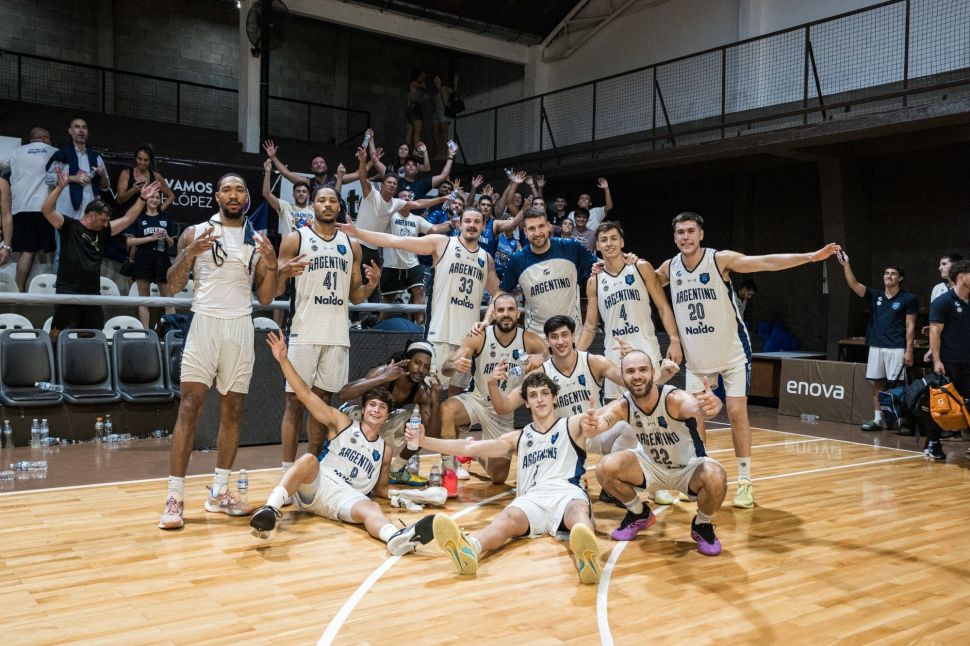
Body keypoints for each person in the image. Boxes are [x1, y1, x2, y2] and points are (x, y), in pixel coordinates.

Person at [656, 212, 840, 508]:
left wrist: (810, 257)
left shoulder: (719, 260)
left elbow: (765, 262)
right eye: (680, 232)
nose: (685, 237)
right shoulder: (669, 267)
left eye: (690, 231)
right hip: (698, 356)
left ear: (701, 234)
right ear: (674, 237)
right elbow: (641, 281)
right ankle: (699, 475)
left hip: (732, 353)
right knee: (694, 416)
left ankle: (745, 481)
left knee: (736, 412)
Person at [158, 173, 285, 530]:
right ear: (216, 196)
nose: (233, 195)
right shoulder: (195, 232)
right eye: (227, 189)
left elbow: (265, 298)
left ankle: (219, 492)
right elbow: (172, 285)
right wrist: (189, 253)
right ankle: (174, 498)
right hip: (204, 323)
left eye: (239, 190)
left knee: (233, 410)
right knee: (189, 407)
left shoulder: (257, 240)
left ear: (246, 198)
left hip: (240, 326)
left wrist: (272, 263)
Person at [249, 331, 435, 555]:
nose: (376, 410)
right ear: (363, 409)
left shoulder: (385, 450)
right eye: (372, 405)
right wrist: (283, 360)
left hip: (347, 498)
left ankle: (394, 537)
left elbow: (382, 489)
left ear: (387, 416)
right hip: (318, 485)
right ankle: (270, 509)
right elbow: (306, 394)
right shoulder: (342, 423)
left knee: (372, 507)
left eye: (382, 408)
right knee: (308, 460)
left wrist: (418, 495)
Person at [409, 371, 604, 584]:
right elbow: (468, 447)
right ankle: (471, 549)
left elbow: (593, 423)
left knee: (577, 511)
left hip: (567, 493)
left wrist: (593, 424)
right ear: (526, 403)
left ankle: (587, 556)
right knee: (507, 516)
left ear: (554, 398)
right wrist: (424, 441)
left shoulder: (572, 424)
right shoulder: (518, 438)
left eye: (545, 393)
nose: (540, 399)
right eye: (533, 395)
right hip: (532, 499)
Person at [275, 184, 381, 482]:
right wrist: (282, 272)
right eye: (321, 200)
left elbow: (355, 296)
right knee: (294, 402)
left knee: (322, 404)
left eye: (332, 200)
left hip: (336, 334)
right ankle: (286, 470)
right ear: (313, 206)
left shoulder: (351, 245)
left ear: (339, 206)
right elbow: (277, 288)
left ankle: (310, 468)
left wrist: (372, 285)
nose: (327, 204)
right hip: (304, 331)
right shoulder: (296, 239)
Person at [337, 209, 501, 396]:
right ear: (460, 224)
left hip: (468, 340)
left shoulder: (486, 259)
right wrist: (358, 233)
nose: (472, 225)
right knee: (429, 392)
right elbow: (397, 241)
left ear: (483, 225)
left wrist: (486, 321)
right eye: (468, 221)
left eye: (477, 222)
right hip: (439, 334)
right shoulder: (442, 243)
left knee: (457, 396)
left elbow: (499, 295)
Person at [586, 351, 727, 555]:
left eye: (642, 370)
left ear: (653, 372)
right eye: (630, 371)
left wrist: (712, 405)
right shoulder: (624, 404)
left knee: (716, 476)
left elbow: (697, 406)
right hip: (650, 466)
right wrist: (594, 426)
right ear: (623, 376)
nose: (637, 376)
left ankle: (702, 525)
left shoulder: (674, 398)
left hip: (688, 468)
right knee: (604, 467)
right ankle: (639, 514)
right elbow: (603, 421)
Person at [439, 293, 548, 488]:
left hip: (503, 412)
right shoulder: (479, 336)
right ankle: (449, 470)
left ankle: (473, 449)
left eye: (510, 309)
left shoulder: (529, 340)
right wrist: (454, 365)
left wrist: (543, 357)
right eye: (501, 310)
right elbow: (446, 367)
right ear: (494, 314)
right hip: (477, 401)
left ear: (518, 313)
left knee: (498, 478)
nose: (506, 314)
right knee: (447, 409)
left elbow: (555, 354)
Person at [40, 172, 159, 337]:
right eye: (103, 220)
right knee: (57, 335)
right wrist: (60, 187)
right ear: (91, 215)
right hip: (68, 290)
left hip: (92, 292)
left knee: (91, 336)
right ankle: (54, 353)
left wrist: (142, 199)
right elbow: (46, 210)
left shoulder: (104, 230)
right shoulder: (69, 226)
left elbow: (127, 219)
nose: (105, 224)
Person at [579, 221, 683, 400]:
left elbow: (663, 307)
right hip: (614, 358)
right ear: (597, 246)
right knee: (619, 412)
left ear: (622, 242)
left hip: (646, 350)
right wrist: (575, 356)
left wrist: (674, 339)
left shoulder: (640, 267)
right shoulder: (594, 281)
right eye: (604, 240)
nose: (609, 243)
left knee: (652, 406)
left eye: (614, 238)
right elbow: (590, 325)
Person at [337, 341, 441, 486]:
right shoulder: (383, 372)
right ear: (407, 361)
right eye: (417, 363)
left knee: (419, 426)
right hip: (355, 418)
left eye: (427, 367)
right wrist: (383, 378)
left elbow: (431, 436)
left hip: (379, 422)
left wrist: (435, 402)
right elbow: (343, 394)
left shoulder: (422, 392)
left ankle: (396, 469)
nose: (421, 370)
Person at [837, 252, 917, 432]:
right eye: (886, 273)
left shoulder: (908, 299)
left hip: (897, 347)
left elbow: (910, 325)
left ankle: (903, 421)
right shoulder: (875, 295)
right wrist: (846, 264)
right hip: (876, 346)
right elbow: (853, 284)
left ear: (900, 278)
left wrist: (909, 350)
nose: (889, 276)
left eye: (893, 274)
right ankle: (878, 419)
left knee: (898, 384)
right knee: (878, 384)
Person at [496, 210, 596, 336]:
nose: (537, 233)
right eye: (532, 228)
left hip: (571, 335)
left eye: (541, 226)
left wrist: (620, 260)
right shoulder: (517, 259)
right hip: (536, 339)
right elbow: (502, 292)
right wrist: (486, 321)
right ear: (525, 232)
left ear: (548, 226)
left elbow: (598, 265)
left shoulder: (570, 247)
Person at [45, 118, 110, 272]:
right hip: (66, 212)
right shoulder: (61, 155)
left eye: (84, 127)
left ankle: (84, 286)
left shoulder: (96, 157)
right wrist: (73, 178)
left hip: (90, 215)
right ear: (70, 131)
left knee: (89, 254)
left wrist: (102, 175)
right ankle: (60, 286)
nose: (81, 130)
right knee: (62, 254)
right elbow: (48, 178)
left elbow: (105, 186)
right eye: (77, 127)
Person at [380, 188, 450, 322]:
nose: (407, 198)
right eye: (403, 196)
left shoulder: (417, 219)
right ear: (397, 200)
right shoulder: (390, 216)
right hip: (392, 265)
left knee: (419, 291)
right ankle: (381, 325)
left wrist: (450, 225)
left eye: (408, 196)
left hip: (412, 264)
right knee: (388, 299)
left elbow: (434, 229)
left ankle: (420, 326)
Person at [0, 127, 56, 292]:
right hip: (47, 208)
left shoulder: (16, 152)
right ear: (45, 138)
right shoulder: (55, 151)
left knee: (28, 250)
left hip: (21, 208)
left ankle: (20, 290)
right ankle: (54, 289)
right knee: (53, 251)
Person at [926, 259, 970, 460]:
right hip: (948, 362)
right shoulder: (943, 302)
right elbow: (934, 332)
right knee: (942, 406)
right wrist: (937, 361)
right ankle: (933, 443)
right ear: (962, 277)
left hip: (968, 362)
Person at [124, 188, 175, 329]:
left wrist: (166, 237)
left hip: (162, 259)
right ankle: (145, 332)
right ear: (146, 199)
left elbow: (171, 243)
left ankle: (172, 330)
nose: (155, 200)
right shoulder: (138, 218)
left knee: (168, 298)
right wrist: (150, 238)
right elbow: (129, 241)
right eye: (152, 197)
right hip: (143, 259)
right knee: (144, 298)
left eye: (157, 197)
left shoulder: (165, 218)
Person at [115, 143, 175, 215]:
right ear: (136, 158)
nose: (142, 162)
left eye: (146, 160)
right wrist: (133, 190)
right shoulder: (126, 173)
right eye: (139, 159)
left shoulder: (156, 176)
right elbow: (119, 200)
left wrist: (159, 210)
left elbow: (171, 196)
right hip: (127, 215)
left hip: (146, 218)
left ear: (150, 161)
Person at [261, 157, 312, 236]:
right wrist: (267, 172)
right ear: (293, 194)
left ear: (308, 195)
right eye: (298, 191)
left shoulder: (315, 210)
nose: (301, 194)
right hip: (289, 244)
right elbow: (266, 194)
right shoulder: (285, 206)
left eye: (304, 191)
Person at [567, 178, 614, 252]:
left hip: (590, 250)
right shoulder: (572, 214)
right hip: (572, 249)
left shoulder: (596, 212)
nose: (583, 199)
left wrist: (606, 189)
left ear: (590, 203)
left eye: (586, 198)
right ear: (578, 202)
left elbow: (609, 206)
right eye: (581, 198)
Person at [431, 73, 457, 159]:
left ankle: (445, 154)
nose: (436, 80)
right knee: (435, 134)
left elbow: (454, 93)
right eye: (435, 79)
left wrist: (455, 82)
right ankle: (439, 153)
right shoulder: (435, 93)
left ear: (441, 80)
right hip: (436, 114)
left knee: (444, 134)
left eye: (438, 79)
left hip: (443, 112)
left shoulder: (444, 88)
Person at [405, 70, 427, 150]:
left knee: (410, 131)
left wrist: (423, 98)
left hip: (410, 108)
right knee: (417, 132)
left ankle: (407, 151)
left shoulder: (413, 84)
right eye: (421, 76)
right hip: (415, 108)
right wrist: (423, 78)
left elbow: (416, 97)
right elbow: (424, 86)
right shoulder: (414, 83)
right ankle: (417, 151)